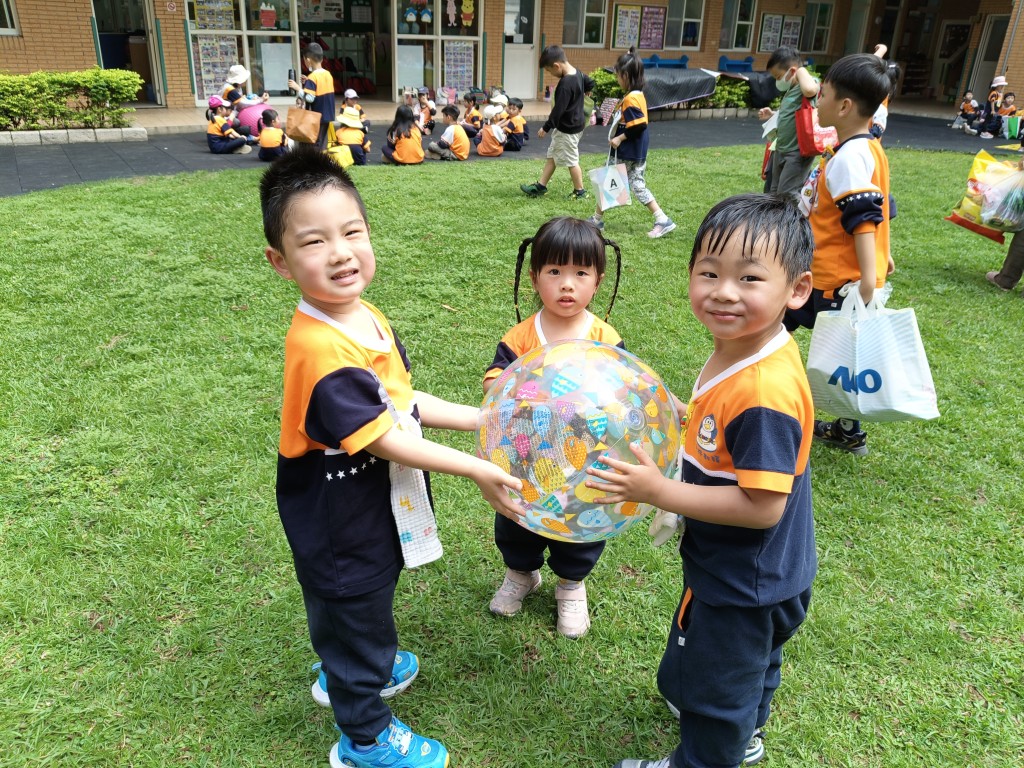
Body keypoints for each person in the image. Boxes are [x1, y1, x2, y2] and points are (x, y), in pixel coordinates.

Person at [260, 146, 522, 768]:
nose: (340, 252)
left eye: (352, 232)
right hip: (337, 514)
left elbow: (401, 403)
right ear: (280, 262)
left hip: (366, 503)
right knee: (354, 599)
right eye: (314, 241)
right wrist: (477, 466)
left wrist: (482, 418)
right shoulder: (321, 349)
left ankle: (355, 659)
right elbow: (382, 437)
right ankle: (364, 736)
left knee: (362, 601)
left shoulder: (362, 317)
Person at [587, 194, 816, 768]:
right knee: (751, 664)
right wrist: (679, 416)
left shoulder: (763, 392)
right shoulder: (745, 350)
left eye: (749, 278)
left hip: (744, 580)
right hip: (764, 569)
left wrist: (658, 491)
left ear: (797, 290)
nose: (724, 292)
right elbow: (724, 435)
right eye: (709, 273)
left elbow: (762, 507)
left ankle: (711, 751)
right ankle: (747, 728)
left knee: (722, 689)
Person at [482, 216, 623, 639]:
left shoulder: (604, 338)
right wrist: (518, 387)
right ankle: (520, 573)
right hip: (525, 455)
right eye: (555, 271)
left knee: (579, 524)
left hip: (585, 457)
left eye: (581, 273)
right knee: (516, 520)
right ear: (534, 277)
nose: (567, 285)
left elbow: (620, 390)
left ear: (597, 281)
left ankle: (571, 584)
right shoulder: (522, 336)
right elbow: (494, 380)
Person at [786, 52, 893, 456]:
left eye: (824, 95)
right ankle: (848, 430)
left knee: (777, 329)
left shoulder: (849, 157)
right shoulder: (867, 147)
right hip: (838, 277)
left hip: (833, 281)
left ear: (845, 106)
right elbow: (883, 207)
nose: (817, 101)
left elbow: (864, 218)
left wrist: (866, 278)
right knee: (844, 354)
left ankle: (772, 397)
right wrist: (883, 256)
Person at [587, 47, 675, 238]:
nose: (617, 79)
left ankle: (597, 220)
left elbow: (639, 125)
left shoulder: (631, 98)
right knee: (632, 184)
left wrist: (620, 138)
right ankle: (661, 218)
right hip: (636, 150)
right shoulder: (638, 95)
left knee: (611, 180)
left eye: (618, 75)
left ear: (625, 76)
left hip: (628, 151)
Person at [520, 45, 594, 200]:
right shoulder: (578, 73)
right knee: (553, 155)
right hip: (574, 124)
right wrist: (588, 89)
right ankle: (541, 186)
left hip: (568, 129)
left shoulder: (565, 84)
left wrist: (546, 127)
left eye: (549, 71)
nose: (551, 74)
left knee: (571, 160)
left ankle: (580, 191)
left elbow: (558, 110)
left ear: (556, 66)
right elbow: (590, 81)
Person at [756, 46, 821, 201]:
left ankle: (793, 217)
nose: (778, 81)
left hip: (797, 152)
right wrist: (773, 114)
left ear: (792, 71)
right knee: (774, 192)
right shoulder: (791, 89)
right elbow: (793, 114)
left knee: (787, 196)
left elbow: (811, 90)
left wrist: (801, 70)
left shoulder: (807, 83)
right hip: (782, 148)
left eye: (778, 77)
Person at [287, 43, 335, 150]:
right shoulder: (328, 74)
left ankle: (313, 160)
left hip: (316, 117)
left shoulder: (313, 77)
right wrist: (308, 82)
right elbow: (320, 90)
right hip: (327, 115)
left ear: (308, 60)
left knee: (313, 144)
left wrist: (297, 88)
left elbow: (310, 98)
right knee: (321, 142)